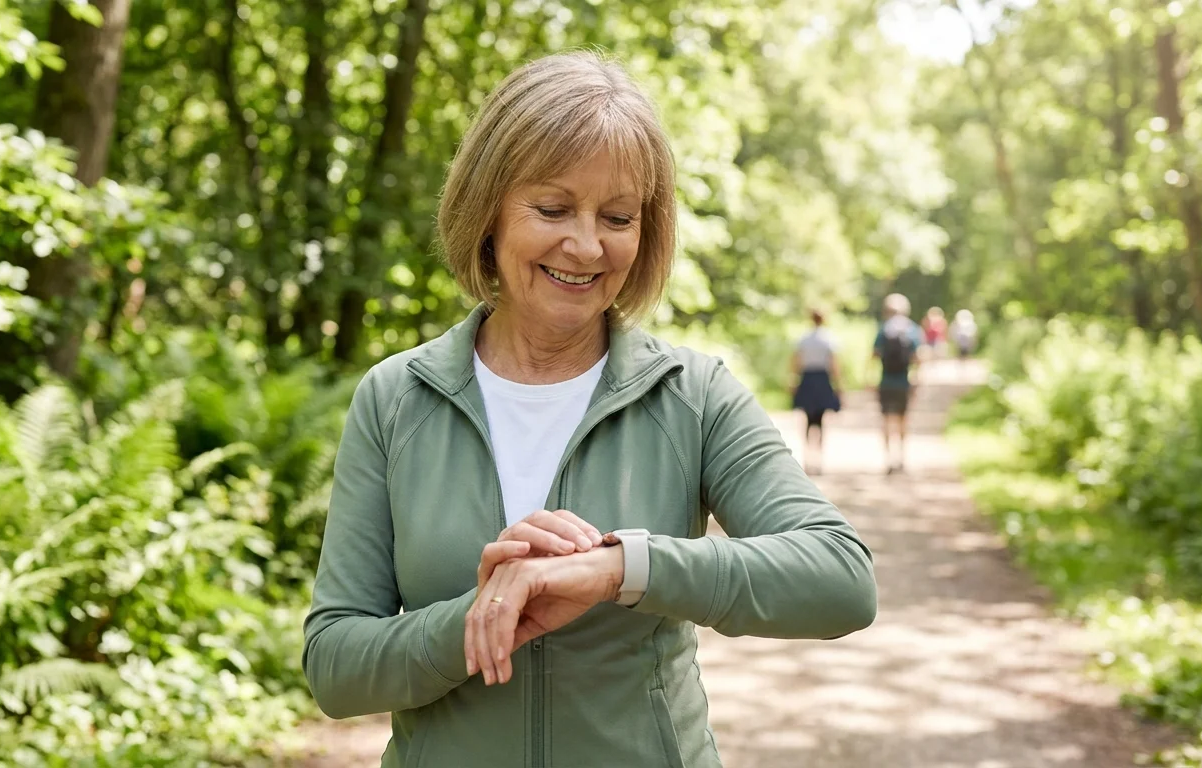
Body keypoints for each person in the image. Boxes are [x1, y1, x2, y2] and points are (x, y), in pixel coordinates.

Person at [302, 52, 876, 768]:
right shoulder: (396, 399)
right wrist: (483, 618)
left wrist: (622, 569)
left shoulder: (693, 394)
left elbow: (841, 579)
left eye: (617, 217)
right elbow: (334, 666)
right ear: (488, 209)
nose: (586, 245)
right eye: (551, 208)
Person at [872, 293, 921, 474]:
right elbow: (918, 359)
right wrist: (917, 379)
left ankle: (888, 460)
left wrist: (870, 379)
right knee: (903, 420)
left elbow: (874, 356)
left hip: (886, 381)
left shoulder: (883, 330)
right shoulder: (912, 330)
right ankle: (901, 457)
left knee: (886, 420)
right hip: (903, 382)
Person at [790, 308, 841, 475]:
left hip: (807, 379)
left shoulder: (804, 339)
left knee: (807, 419)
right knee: (820, 421)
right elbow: (834, 364)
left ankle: (807, 459)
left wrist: (793, 380)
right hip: (822, 379)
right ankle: (818, 460)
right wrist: (839, 385)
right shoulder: (828, 339)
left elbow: (797, 361)